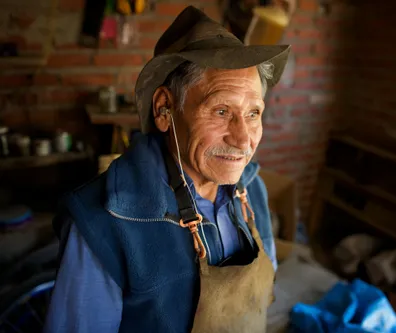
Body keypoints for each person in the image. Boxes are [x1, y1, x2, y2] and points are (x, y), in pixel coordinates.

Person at [43, 5, 290, 333]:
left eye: (253, 113)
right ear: (164, 109)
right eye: (220, 110)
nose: (243, 139)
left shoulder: (251, 189)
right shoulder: (104, 222)